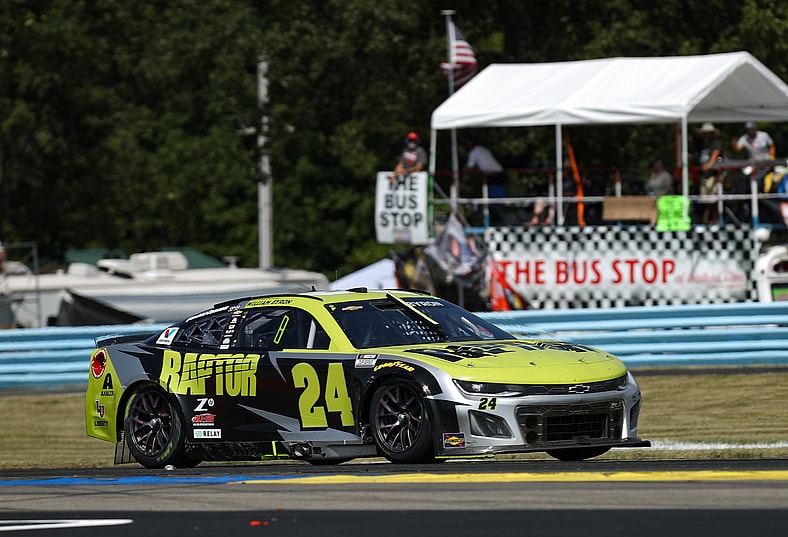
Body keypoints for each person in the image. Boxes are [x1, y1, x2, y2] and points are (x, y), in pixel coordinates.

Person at [732, 121, 776, 192]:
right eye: (748, 130)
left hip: (766, 162)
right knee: (753, 180)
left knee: (766, 180)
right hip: (754, 164)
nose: (750, 131)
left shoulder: (764, 135)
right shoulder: (744, 139)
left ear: (755, 128)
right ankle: (756, 195)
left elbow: (771, 146)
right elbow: (737, 149)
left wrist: (772, 157)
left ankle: (764, 192)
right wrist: (733, 140)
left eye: (751, 129)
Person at [696, 122, 723, 224]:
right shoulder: (702, 143)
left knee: (712, 199)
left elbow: (716, 153)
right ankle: (707, 219)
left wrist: (709, 165)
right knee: (705, 198)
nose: (705, 134)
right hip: (704, 175)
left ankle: (712, 219)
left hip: (713, 174)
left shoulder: (716, 142)